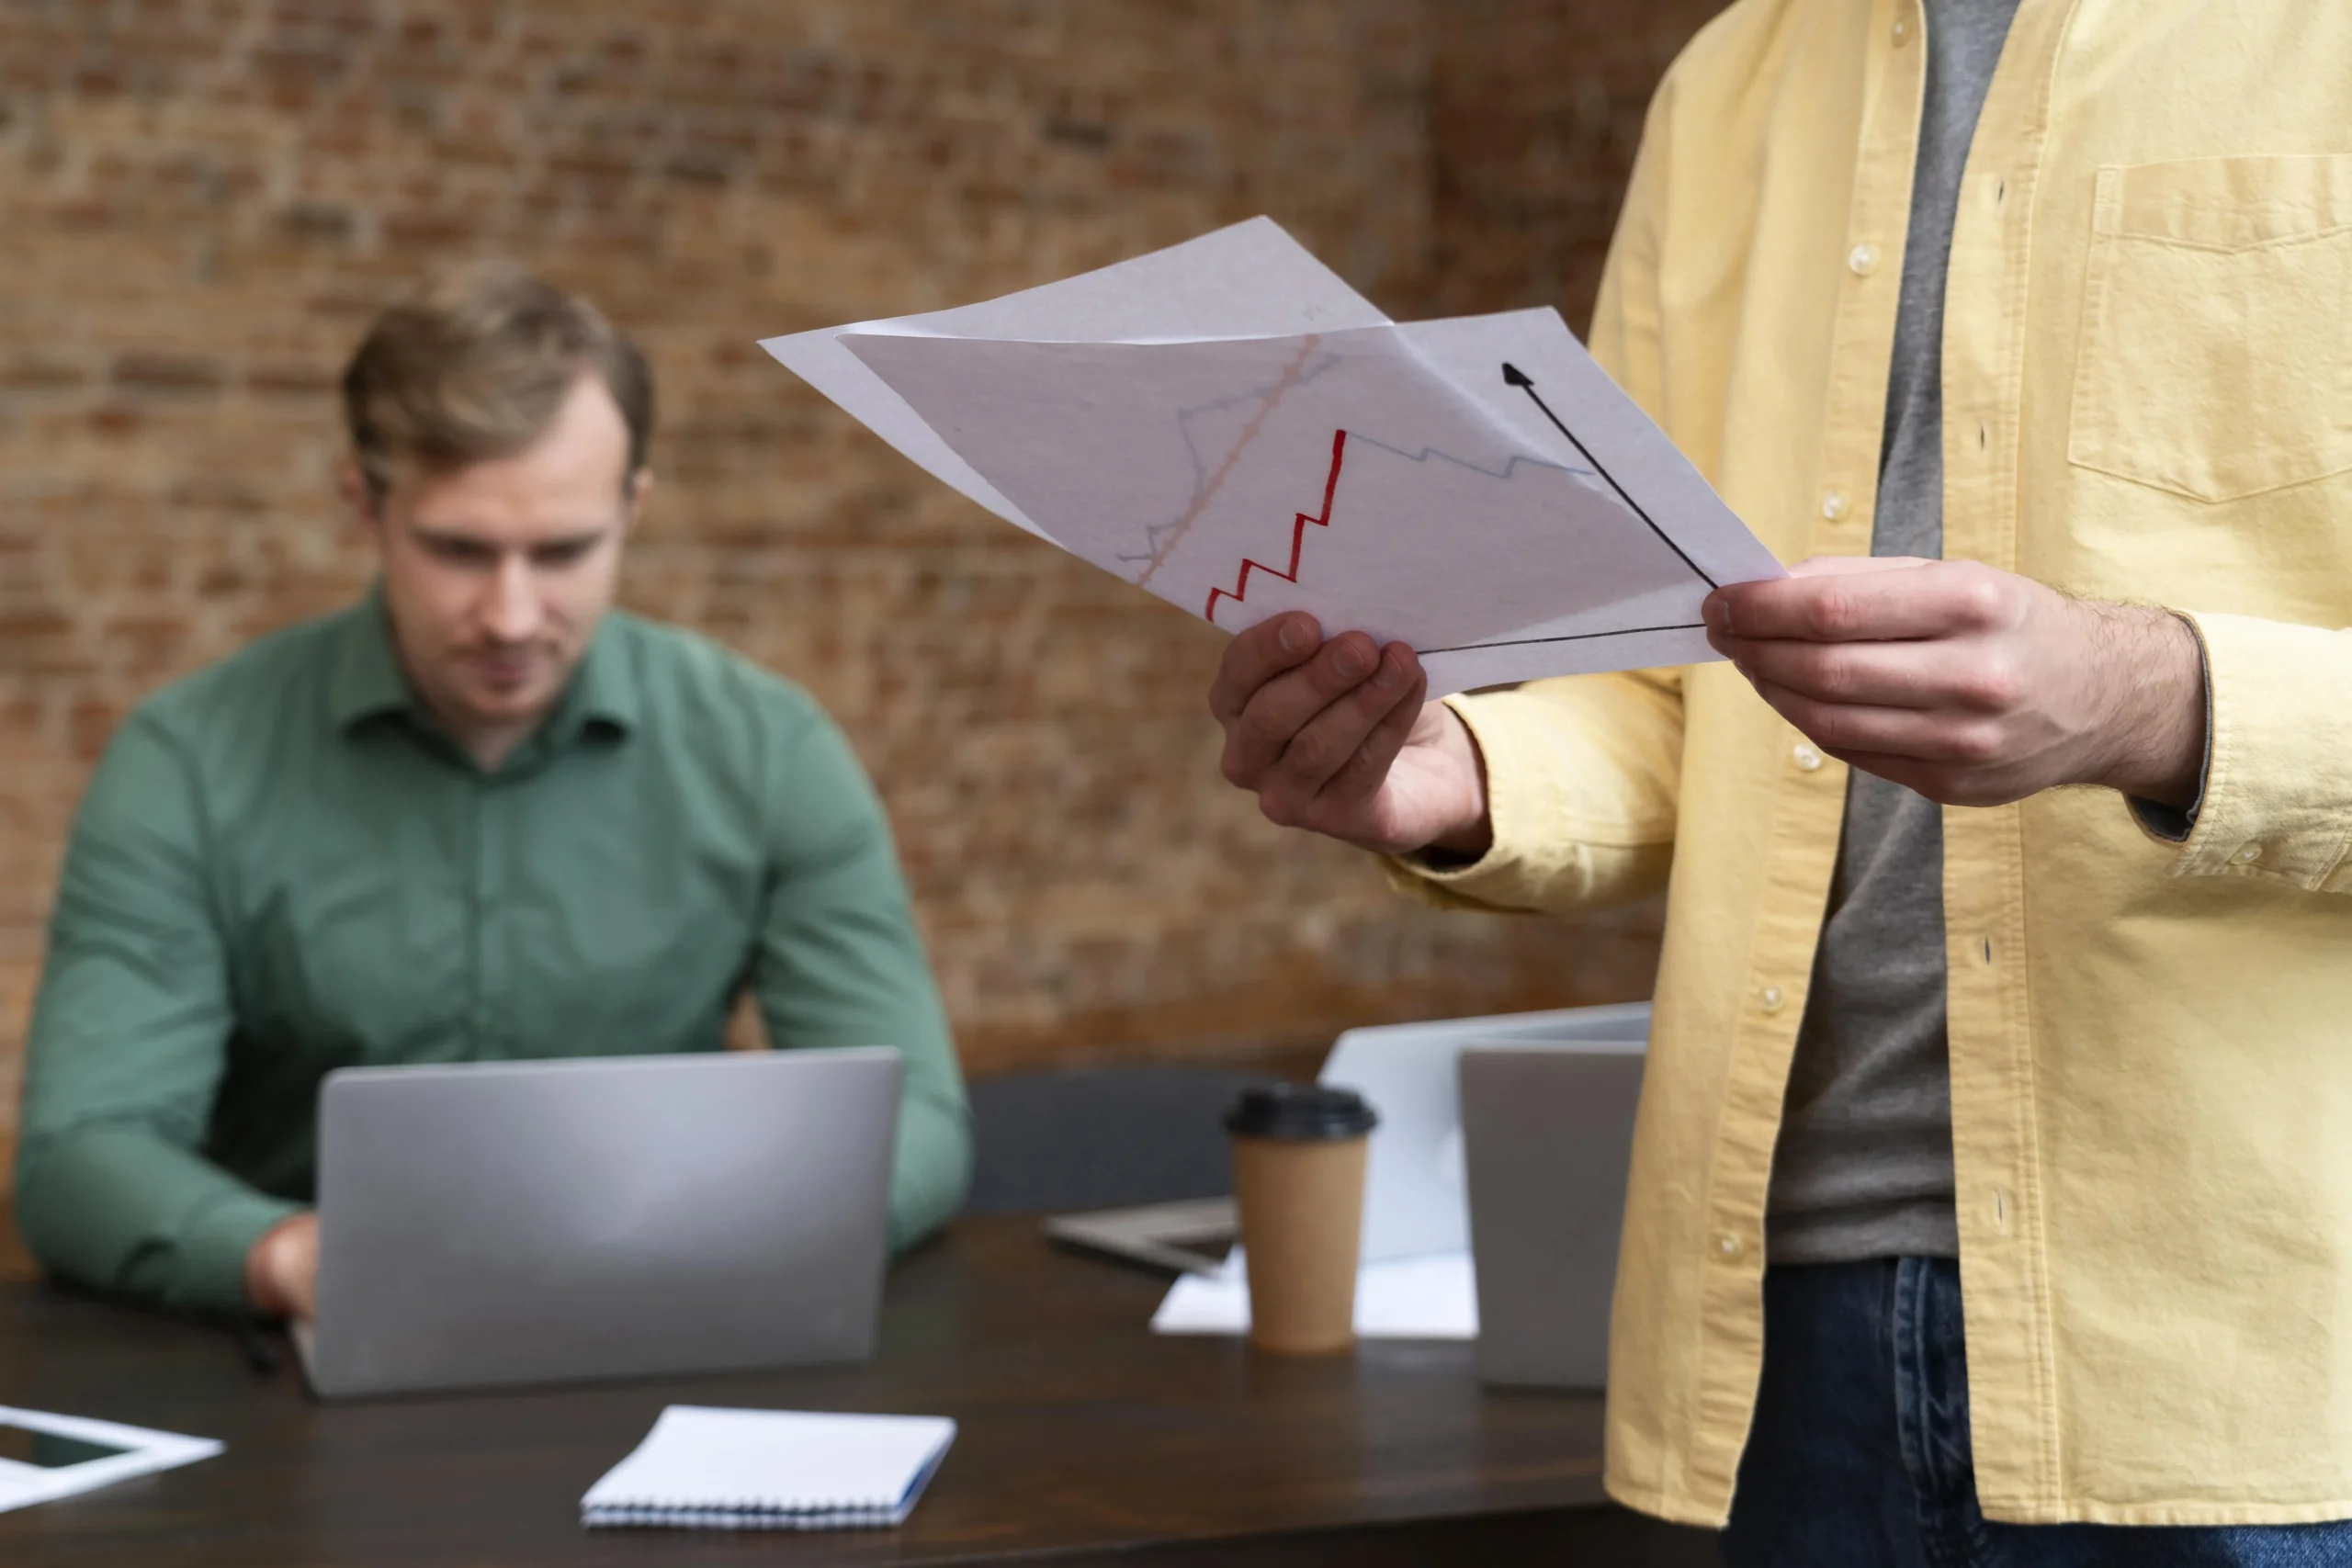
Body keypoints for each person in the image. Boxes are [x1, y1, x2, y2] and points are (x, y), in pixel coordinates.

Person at [1209, 1, 2352, 1562]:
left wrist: (2145, 697)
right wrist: (1460, 768)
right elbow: (1674, 700)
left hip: (2268, 1362)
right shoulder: (1730, 82)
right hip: (1782, 1341)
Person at [14, 265, 971, 1324]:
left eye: (563, 551)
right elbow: (82, 1155)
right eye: (459, 551)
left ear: (633, 508)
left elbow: (915, 1117)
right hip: (293, 1362)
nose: (512, 615)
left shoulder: (770, 749)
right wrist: (290, 1260)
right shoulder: (186, 761)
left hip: (671, 1323)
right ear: (363, 504)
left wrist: (734, 1247)